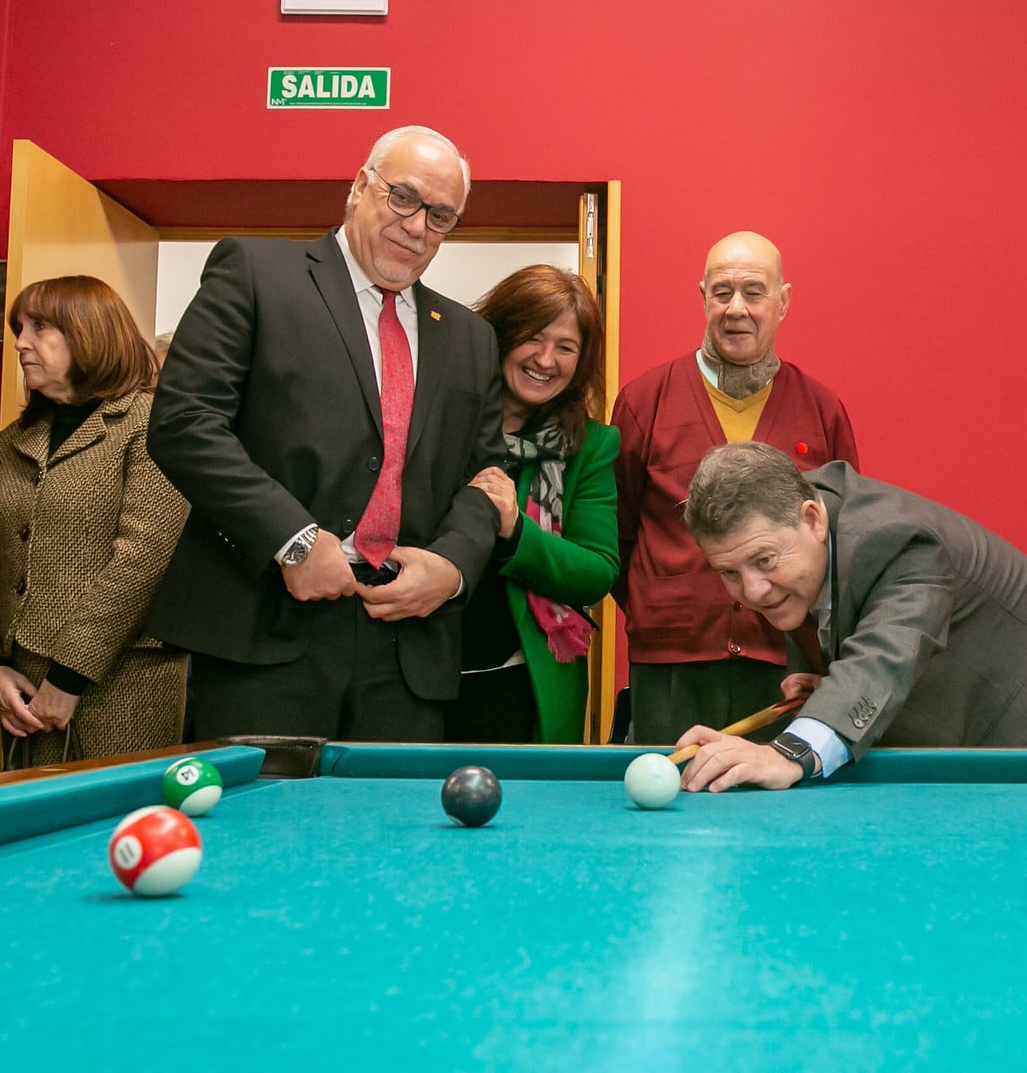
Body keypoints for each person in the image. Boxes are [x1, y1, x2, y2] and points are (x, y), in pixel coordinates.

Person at [146, 125, 506, 741]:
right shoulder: (257, 272)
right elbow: (184, 421)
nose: (418, 227)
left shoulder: (471, 335)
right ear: (361, 186)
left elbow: (488, 473)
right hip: (264, 634)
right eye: (403, 198)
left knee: (398, 837)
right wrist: (293, 540)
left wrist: (451, 567)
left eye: (441, 215)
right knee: (260, 832)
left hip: (408, 650)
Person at [671, 442, 1027, 792]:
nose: (752, 591)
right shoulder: (793, 518)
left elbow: (885, 655)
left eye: (765, 560)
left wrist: (787, 752)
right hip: (949, 727)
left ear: (811, 520)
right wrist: (831, 686)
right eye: (729, 572)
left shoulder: (896, 538)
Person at [613, 231, 859, 745]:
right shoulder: (643, 401)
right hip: (671, 661)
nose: (736, 309)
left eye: (754, 291)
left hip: (788, 664)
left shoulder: (821, 409)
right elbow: (620, 533)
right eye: (722, 293)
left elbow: (845, 538)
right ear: (702, 297)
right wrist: (663, 604)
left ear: (783, 301)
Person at [0, 276, 188, 767]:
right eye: (19, 328)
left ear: (89, 333)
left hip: (123, 684)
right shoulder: (11, 442)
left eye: (40, 328)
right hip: (19, 690)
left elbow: (142, 561)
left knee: (119, 834)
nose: (20, 343)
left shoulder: (153, 424)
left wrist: (68, 677)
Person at [445, 265, 619, 743]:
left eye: (566, 347)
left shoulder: (591, 446)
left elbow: (597, 572)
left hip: (517, 681)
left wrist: (518, 532)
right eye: (533, 339)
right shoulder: (436, 422)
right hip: (415, 675)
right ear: (499, 337)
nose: (546, 360)